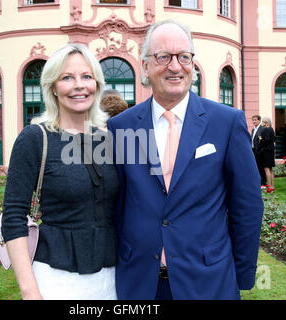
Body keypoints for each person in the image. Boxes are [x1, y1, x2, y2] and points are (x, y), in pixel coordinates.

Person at [107, 19, 264, 300]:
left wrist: (240, 275)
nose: (175, 66)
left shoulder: (226, 123)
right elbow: (116, 206)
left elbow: (247, 206)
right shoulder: (121, 127)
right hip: (140, 283)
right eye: (163, 57)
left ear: (192, 62)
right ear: (145, 66)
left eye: (184, 56)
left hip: (208, 282)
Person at [1, 43, 118, 300]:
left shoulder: (109, 139)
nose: (79, 85)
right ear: (53, 87)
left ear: (96, 85)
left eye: (87, 76)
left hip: (112, 277)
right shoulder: (35, 139)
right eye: (67, 77)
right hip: (56, 278)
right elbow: (13, 217)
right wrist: (30, 290)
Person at [257, 117, 276, 190]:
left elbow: (266, 139)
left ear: (266, 122)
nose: (262, 123)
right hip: (271, 150)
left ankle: (270, 187)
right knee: (270, 169)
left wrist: (261, 139)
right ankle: (272, 186)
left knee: (266, 169)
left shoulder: (266, 129)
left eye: (263, 122)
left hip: (266, 151)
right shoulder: (271, 129)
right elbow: (274, 139)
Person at [251, 115, 266, 186]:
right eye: (253, 120)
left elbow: (264, 141)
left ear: (259, 120)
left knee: (260, 167)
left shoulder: (262, 129)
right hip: (253, 150)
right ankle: (257, 181)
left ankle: (263, 182)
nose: (254, 121)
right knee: (256, 167)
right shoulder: (253, 129)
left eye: (255, 120)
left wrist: (260, 150)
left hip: (260, 151)